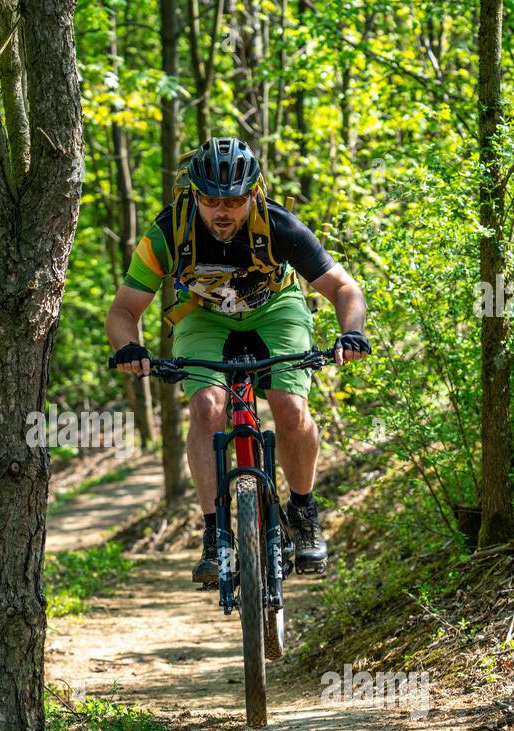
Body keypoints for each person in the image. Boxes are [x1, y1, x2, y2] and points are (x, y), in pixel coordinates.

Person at [104, 136, 371, 582]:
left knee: (290, 406)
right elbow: (122, 310)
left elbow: (345, 288)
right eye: (210, 199)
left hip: (275, 311)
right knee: (207, 407)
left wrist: (352, 333)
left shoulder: (279, 226)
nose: (222, 210)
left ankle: (303, 513)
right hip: (204, 318)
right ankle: (216, 534)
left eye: (234, 199)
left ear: (254, 193)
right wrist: (129, 347)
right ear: (194, 194)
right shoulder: (170, 231)